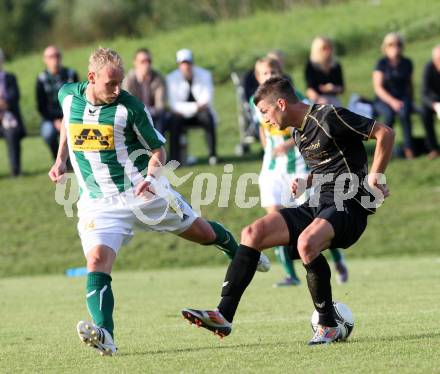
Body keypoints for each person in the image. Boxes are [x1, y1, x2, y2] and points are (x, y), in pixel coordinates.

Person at [48, 47, 270, 356]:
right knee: (97, 262)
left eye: (120, 82)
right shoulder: (69, 96)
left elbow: (157, 151)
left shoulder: (130, 107)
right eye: (110, 83)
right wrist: (60, 160)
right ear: (91, 78)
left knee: (203, 233)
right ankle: (106, 335)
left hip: (142, 194)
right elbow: (67, 126)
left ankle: (240, 252)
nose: (116, 89)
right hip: (99, 202)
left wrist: (151, 179)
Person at [182, 77, 394, 345]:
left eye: (265, 112)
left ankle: (327, 325)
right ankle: (223, 315)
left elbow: (384, 132)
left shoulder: (328, 115)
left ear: (280, 103)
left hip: (349, 204)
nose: (265, 120)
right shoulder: (298, 133)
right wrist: (308, 181)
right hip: (320, 202)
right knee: (252, 233)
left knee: (307, 243)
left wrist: (375, 177)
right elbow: (329, 167)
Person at [252, 57, 348, 287]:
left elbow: (311, 132)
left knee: (315, 223)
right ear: (258, 77)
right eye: (264, 73)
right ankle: (290, 274)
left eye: (272, 71)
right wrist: (268, 147)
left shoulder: (298, 103)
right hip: (272, 172)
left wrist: (288, 144)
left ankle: (336, 258)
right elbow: (262, 128)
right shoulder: (254, 103)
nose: (268, 76)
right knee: (274, 218)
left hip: (299, 170)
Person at [166, 49, 218, 165]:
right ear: (179, 65)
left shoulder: (205, 75)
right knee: (174, 120)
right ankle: (175, 159)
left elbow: (206, 99)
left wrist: (188, 108)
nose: (186, 67)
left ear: (192, 63)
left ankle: (213, 155)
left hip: (200, 114)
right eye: (183, 64)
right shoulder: (171, 78)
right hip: (181, 116)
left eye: (188, 63)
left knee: (208, 117)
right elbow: (173, 104)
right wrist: (196, 107)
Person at [373, 32, 415, 159]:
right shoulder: (381, 63)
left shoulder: (407, 63)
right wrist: (392, 101)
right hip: (383, 99)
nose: (395, 47)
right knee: (389, 115)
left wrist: (410, 101)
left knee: (404, 113)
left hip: (402, 97)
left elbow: (409, 84)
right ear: (385, 47)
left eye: (398, 44)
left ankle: (409, 148)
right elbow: (378, 87)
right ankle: (384, 149)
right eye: (391, 45)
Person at [36, 45, 79, 159]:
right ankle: (58, 158)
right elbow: (41, 106)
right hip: (50, 119)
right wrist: (55, 121)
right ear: (45, 60)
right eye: (51, 56)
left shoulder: (71, 74)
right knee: (48, 133)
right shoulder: (41, 79)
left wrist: (66, 119)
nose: (54, 59)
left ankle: (73, 159)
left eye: (57, 55)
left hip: (71, 116)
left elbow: (78, 99)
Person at [122, 48, 167, 135]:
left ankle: (158, 145)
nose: (147, 64)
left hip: (153, 114)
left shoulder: (158, 78)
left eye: (149, 61)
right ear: (135, 62)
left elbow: (160, 105)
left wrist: (149, 112)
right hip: (136, 115)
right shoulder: (129, 80)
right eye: (143, 61)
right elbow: (129, 104)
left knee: (164, 117)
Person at [0, 48, 26, 177]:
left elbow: (14, 96)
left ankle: (16, 170)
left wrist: (4, 103)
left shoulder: (10, 78)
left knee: (12, 133)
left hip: (9, 118)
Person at [305, 36, 344, 106]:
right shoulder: (311, 66)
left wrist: (332, 88)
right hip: (317, 100)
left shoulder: (336, 65)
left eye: (329, 47)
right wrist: (320, 99)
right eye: (324, 48)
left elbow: (341, 88)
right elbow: (309, 90)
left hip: (333, 99)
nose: (327, 50)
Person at [420, 44, 440, 160]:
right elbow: (424, 93)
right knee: (424, 113)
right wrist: (435, 105)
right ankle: (433, 148)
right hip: (433, 102)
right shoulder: (428, 68)